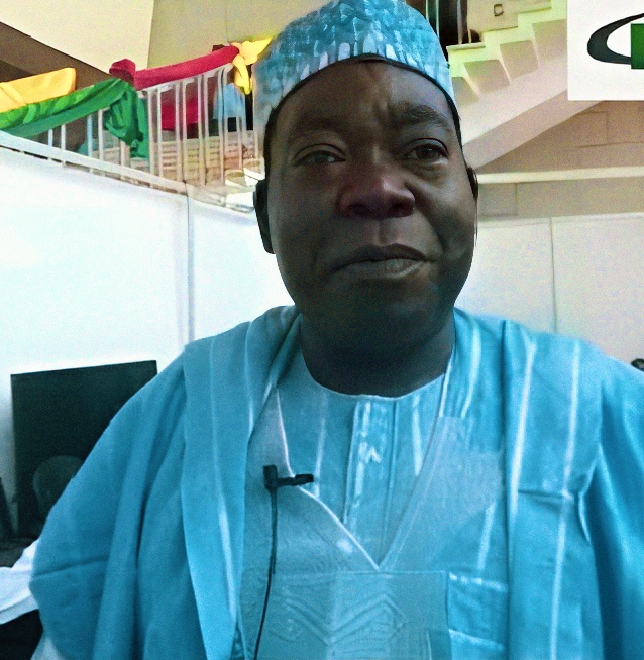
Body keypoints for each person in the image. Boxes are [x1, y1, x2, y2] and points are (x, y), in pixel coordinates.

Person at [30, 0, 644, 658]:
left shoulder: (599, 418)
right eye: (321, 156)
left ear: (472, 198)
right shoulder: (175, 425)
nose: (378, 189)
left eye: (424, 150)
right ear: (264, 216)